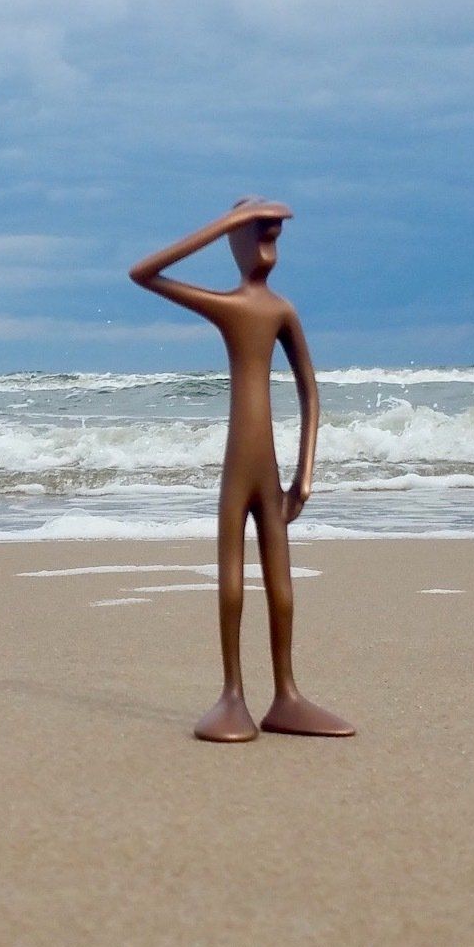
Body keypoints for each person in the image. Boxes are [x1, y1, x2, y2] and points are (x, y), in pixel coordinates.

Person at [130, 199, 355, 742]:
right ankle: (232, 693)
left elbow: (310, 392)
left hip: (269, 468)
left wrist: (305, 474)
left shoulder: (281, 311)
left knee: (281, 583)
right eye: (256, 236)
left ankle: (287, 694)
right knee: (231, 580)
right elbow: (144, 274)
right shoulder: (228, 306)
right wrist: (224, 224)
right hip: (239, 468)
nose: (266, 247)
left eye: (272, 237)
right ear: (235, 241)